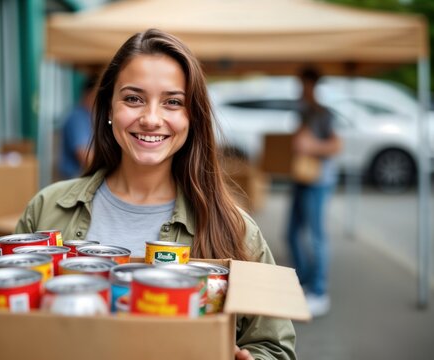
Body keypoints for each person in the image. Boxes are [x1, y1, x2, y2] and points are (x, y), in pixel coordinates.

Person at [16, 29, 296, 360]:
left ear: (192, 117)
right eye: (133, 98)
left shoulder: (236, 228)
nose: (150, 119)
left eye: (173, 102)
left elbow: (274, 347)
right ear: (107, 108)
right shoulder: (46, 208)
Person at [286, 67, 342, 317]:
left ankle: (319, 291)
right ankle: (306, 281)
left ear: (313, 85)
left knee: (317, 236)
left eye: (304, 84)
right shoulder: (302, 111)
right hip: (301, 177)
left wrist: (311, 145)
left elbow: (336, 145)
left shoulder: (323, 113)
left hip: (319, 181)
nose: (301, 89)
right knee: (291, 233)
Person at [58, 77, 97, 179]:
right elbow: (84, 156)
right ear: (88, 94)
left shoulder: (89, 116)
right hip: (75, 178)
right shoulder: (77, 117)